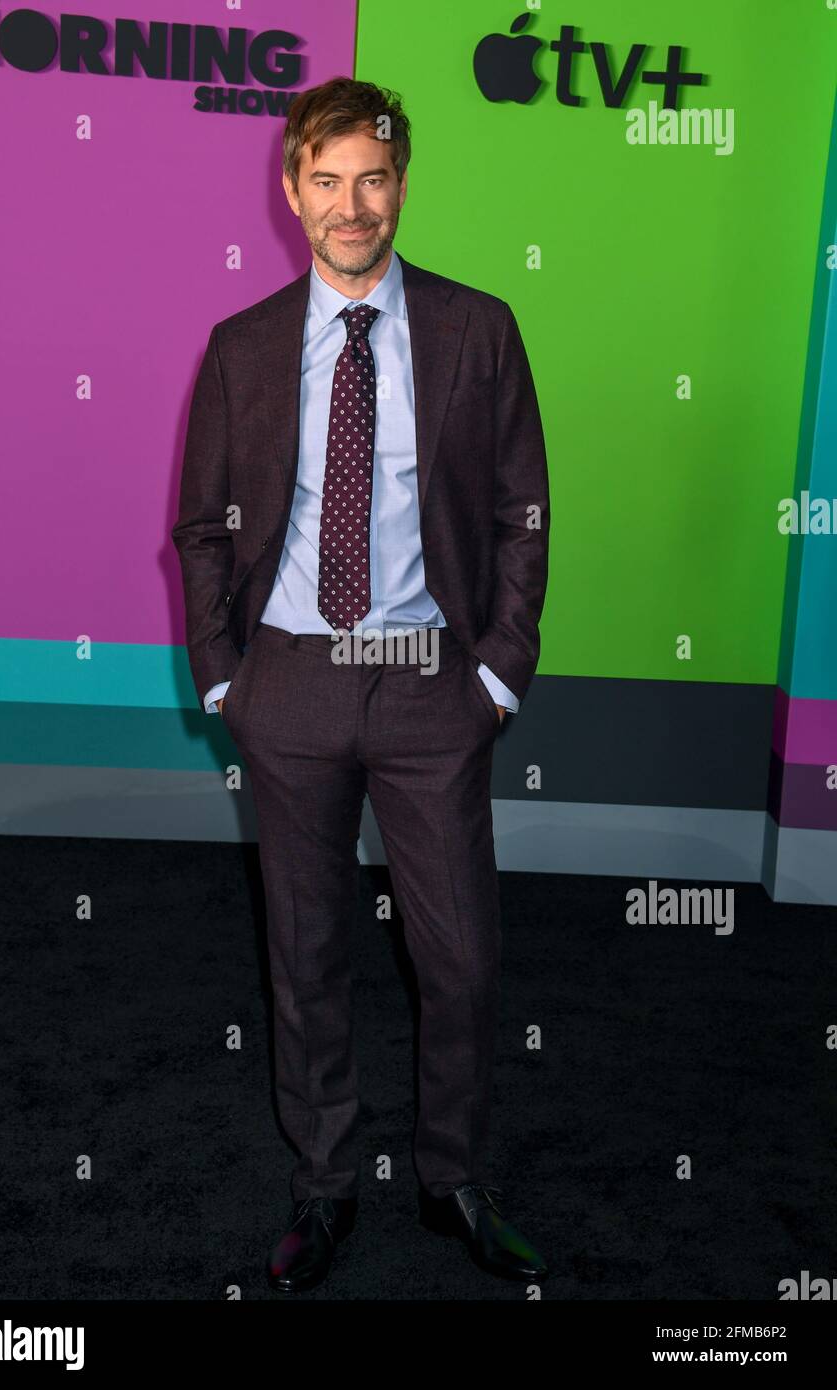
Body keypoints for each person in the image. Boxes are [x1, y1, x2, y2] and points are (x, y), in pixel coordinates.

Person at [172, 76, 550, 1294]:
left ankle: (451, 1178)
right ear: (291, 193)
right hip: (288, 687)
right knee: (307, 953)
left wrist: (497, 671)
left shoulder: (475, 329)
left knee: (464, 958)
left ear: (401, 185)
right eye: (325, 181)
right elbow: (204, 529)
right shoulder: (239, 347)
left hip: (432, 686)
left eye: (372, 178)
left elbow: (519, 511)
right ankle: (325, 1185)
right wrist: (225, 678)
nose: (351, 205)